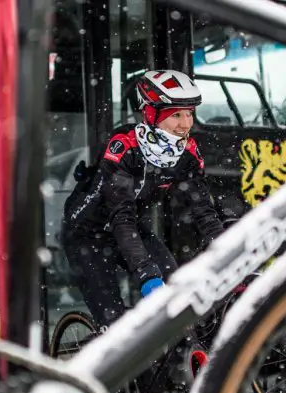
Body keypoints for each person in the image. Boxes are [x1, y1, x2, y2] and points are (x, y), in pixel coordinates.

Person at [61, 69, 224, 331]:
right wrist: (146, 272)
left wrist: (229, 253)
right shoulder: (124, 147)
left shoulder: (188, 152)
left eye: (190, 113)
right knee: (116, 325)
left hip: (132, 229)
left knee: (178, 297)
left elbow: (204, 212)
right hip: (87, 236)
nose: (186, 124)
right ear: (151, 114)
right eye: (176, 115)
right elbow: (121, 216)